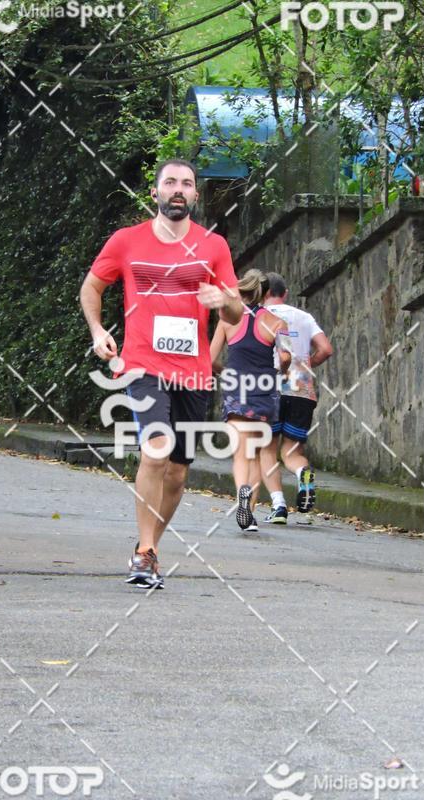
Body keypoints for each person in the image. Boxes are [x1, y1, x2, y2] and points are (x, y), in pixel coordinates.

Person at [80, 158, 243, 589]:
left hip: (192, 371)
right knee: (155, 451)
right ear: (154, 193)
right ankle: (145, 554)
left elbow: (237, 310)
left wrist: (220, 300)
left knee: (178, 472)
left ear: (194, 195)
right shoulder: (126, 241)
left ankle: (148, 544)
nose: (177, 189)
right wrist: (98, 331)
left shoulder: (214, 247)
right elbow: (92, 286)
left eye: (186, 184)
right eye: (169, 182)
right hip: (143, 365)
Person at [210, 269, 291, 532]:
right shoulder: (277, 323)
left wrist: (228, 373)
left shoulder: (226, 321)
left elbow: (210, 360)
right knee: (256, 453)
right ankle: (251, 514)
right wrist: (281, 372)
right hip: (264, 394)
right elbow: (286, 356)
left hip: (236, 392)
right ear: (267, 294)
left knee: (240, 454)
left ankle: (242, 495)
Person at [260, 272, 333, 523]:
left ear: (263, 292)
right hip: (301, 388)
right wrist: (304, 366)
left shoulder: (258, 316)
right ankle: (303, 473)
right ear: (285, 293)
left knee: (267, 449)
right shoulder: (304, 317)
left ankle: (278, 506)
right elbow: (326, 349)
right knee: (291, 452)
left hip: (270, 386)